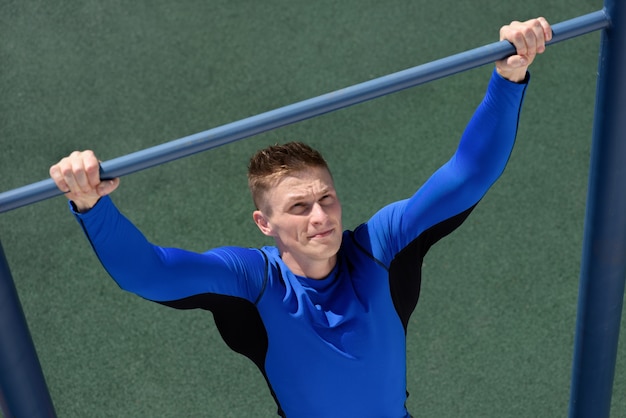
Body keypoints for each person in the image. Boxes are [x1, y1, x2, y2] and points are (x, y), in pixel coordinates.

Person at [50, 17, 552, 418]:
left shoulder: (377, 249)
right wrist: (92, 204)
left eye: (326, 199)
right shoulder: (253, 281)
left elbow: (467, 175)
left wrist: (509, 77)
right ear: (263, 223)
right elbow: (150, 273)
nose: (321, 217)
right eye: (298, 207)